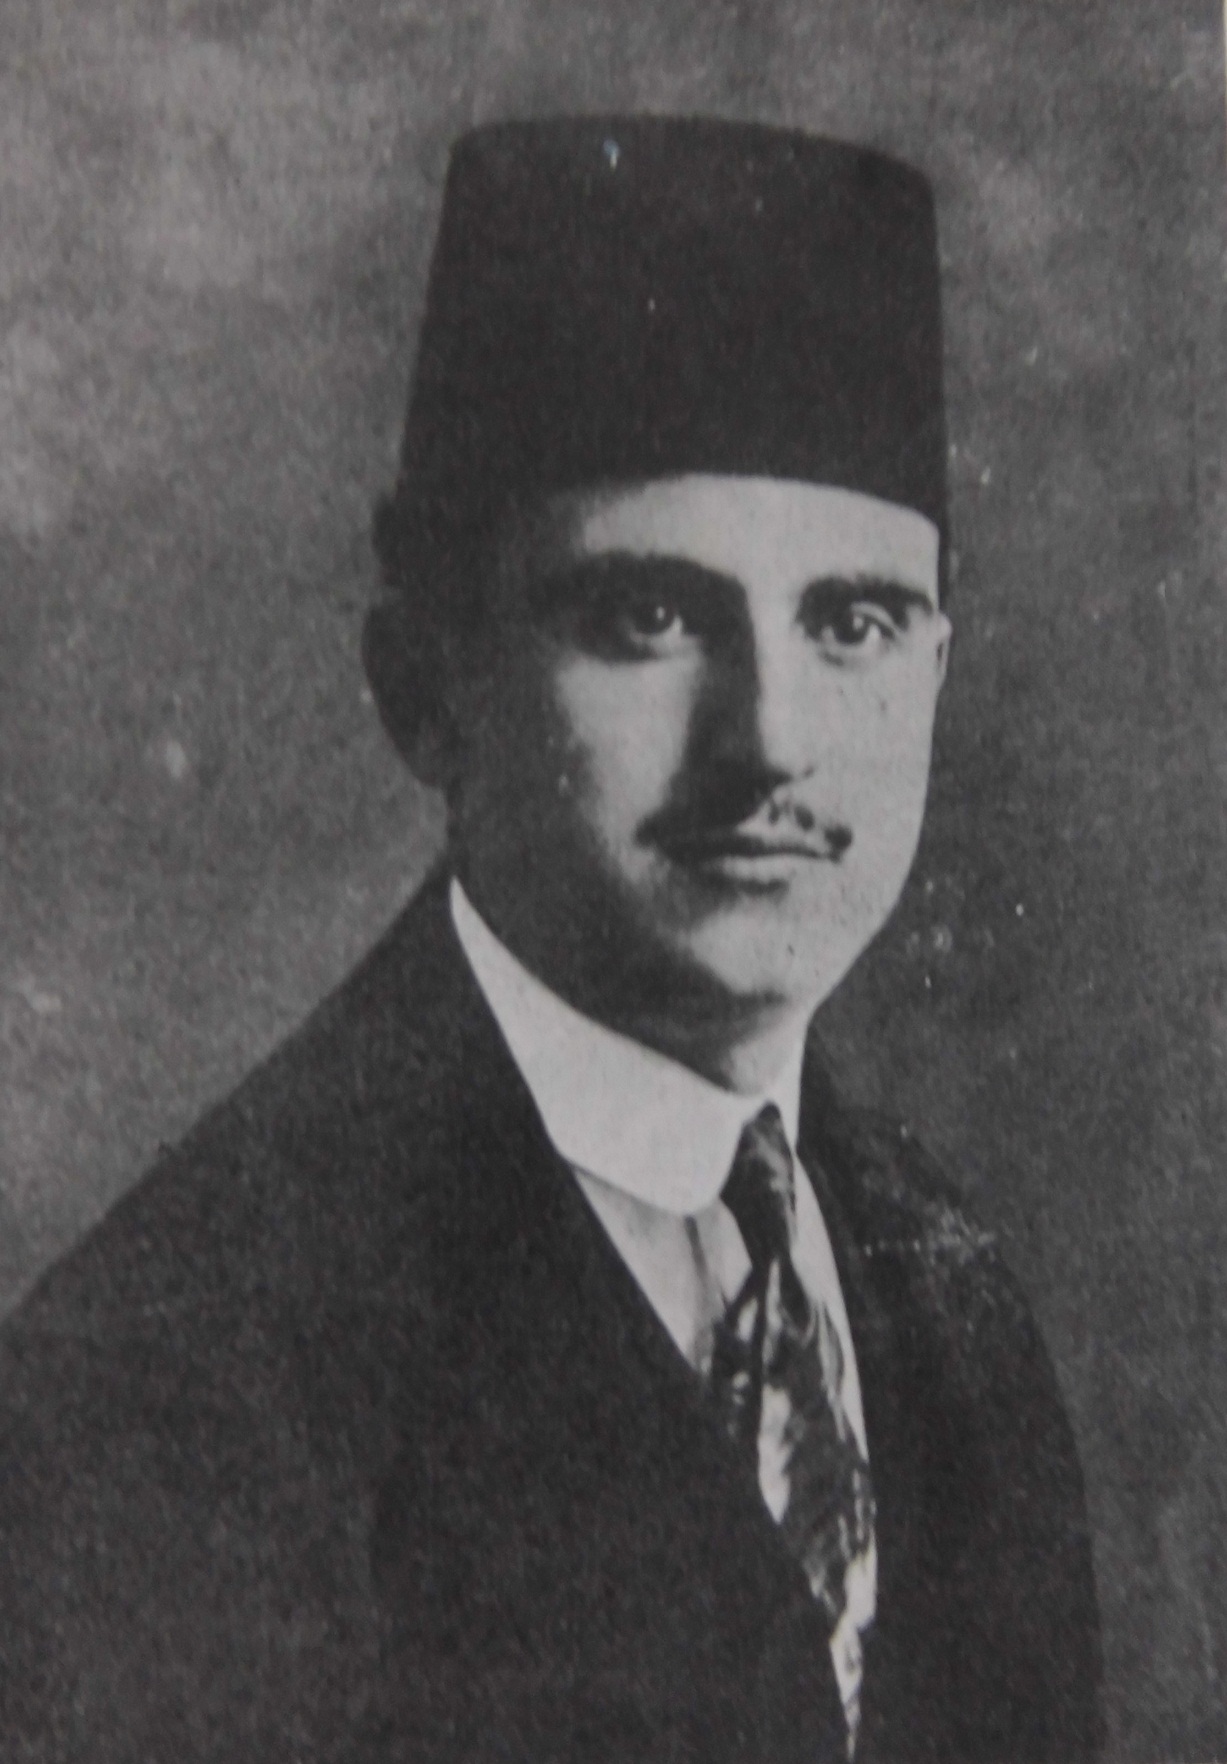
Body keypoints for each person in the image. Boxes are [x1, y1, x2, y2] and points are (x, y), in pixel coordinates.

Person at [0, 117, 1102, 1762]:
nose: (773, 740)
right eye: (648, 617)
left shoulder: (952, 1305)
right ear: (426, 689)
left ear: (936, 669)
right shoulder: (170, 1391)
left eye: (853, 622)